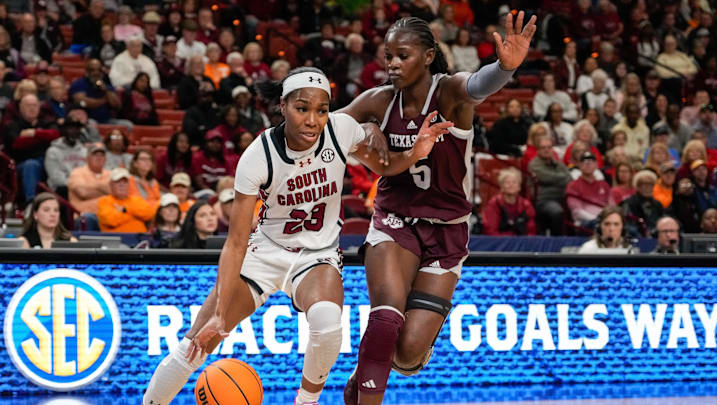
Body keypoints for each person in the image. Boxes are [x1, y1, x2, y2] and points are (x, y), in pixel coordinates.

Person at [143, 66, 450, 405]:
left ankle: (306, 401)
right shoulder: (258, 156)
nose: (312, 120)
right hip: (265, 251)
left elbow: (385, 165)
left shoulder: (340, 130)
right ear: (283, 106)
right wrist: (220, 309)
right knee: (196, 343)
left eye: (321, 110)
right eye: (302, 108)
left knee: (328, 323)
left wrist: (413, 152)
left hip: (315, 256)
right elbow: (235, 242)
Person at [334, 14, 536, 405]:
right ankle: (376, 360)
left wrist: (506, 67)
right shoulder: (378, 100)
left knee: (407, 355)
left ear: (428, 56)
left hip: (447, 231)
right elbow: (329, 125)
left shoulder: (450, 93)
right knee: (386, 315)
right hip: (395, 220)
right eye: (388, 55)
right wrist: (362, 131)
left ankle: (377, 358)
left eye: (402, 55)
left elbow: (479, 84)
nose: (391, 63)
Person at [5, 93, 59, 203]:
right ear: (20, 107)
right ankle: (31, 204)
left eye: (34, 105)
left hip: (48, 162)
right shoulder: (13, 125)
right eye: (28, 105)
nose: (32, 108)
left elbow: (55, 135)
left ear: (39, 107)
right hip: (21, 165)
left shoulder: (46, 122)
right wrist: (43, 137)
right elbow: (17, 143)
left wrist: (34, 133)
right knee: (31, 164)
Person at [529, 136, 571, 235]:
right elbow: (545, 177)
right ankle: (557, 242)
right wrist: (562, 177)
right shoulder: (534, 164)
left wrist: (556, 179)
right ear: (538, 150)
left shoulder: (558, 164)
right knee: (556, 211)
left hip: (563, 198)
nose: (547, 150)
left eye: (549, 147)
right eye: (543, 148)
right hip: (544, 200)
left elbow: (570, 179)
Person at [97, 167, 155, 232]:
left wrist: (125, 209)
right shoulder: (104, 201)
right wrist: (134, 216)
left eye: (125, 182)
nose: (122, 185)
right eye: (118, 182)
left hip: (140, 239)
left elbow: (149, 214)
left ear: (129, 185)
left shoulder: (137, 200)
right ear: (111, 185)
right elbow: (110, 220)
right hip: (116, 239)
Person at [482, 167, 536, 236]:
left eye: (514, 182)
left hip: (522, 244)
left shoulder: (526, 205)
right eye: (507, 182)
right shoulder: (494, 204)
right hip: (499, 244)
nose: (511, 185)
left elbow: (531, 231)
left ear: (519, 187)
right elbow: (490, 231)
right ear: (501, 187)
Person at [69, 59, 123, 125]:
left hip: (107, 120)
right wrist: (104, 100)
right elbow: (83, 102)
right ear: (87, 71)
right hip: (87, 119)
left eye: (99, 70)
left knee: (127, 125)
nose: (96, 73)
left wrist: (105, 90)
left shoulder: (106, 85)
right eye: (92, 70)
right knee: (92, 123)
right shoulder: (79, 84)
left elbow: (117, 105)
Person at [44, 116, 87, 198]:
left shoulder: (84, 151)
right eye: (71, 128)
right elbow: (56, 178)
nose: (74, 132)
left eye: (77, 129)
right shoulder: (53, 151)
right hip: (61, 189)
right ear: (64, 130)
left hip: (83, 186)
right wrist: (76, 185)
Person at [566, 151, 611, 228]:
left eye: (591, 161)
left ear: (596, 165)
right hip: (584, 224)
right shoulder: (573, 186)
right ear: (579, 165)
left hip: (605, 222)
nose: (588, 164)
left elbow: (611, 206)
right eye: (584, 162)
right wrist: (600, 220)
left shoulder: (604, 185)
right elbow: (576, 212)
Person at [68, 143, 111, 222]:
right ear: (87, 158)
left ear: (106, 159)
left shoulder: (110, 174)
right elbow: (83, 193)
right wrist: (104, 188)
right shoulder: (77, 172)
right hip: (84, 216)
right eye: (95, 155)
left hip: (108, 216)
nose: (99, 158)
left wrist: (91, 187)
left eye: (102, 155)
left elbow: (116, 193)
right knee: (88, 218)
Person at [620, 170, 665, 236]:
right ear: (637, 186)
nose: (647, 187)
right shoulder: (628, 203)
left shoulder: (658, 204)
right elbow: (626, 225)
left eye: (651, 184)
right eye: (644, 183)